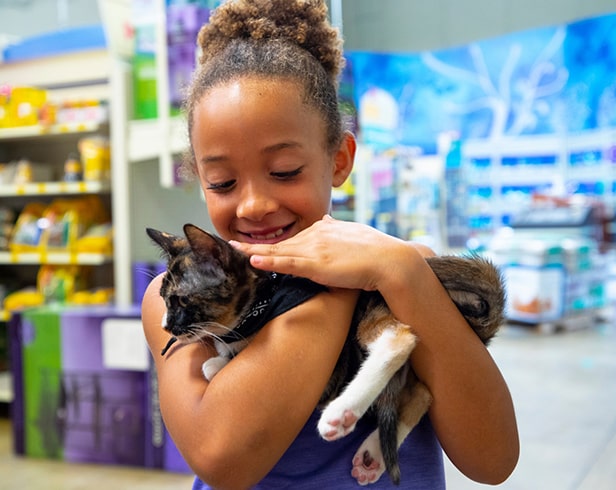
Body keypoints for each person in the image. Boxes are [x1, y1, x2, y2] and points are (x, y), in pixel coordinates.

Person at [141, 0, 519, 488]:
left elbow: (493, 458)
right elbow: (222, 457)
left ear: (339, 160)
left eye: (284, 172)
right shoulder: (175, 301)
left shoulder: (406, 273)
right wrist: (342, 289)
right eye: (222, 182)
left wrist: (400, 272)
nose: (253, 204)